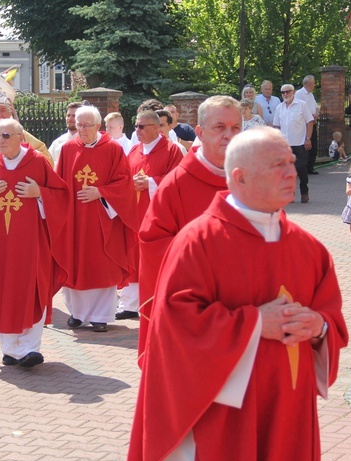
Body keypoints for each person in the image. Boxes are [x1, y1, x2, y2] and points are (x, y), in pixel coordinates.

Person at [122, 126, 348, 461]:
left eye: (292, 162)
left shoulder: (310, 250)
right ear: (239, 177)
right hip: (220, 418)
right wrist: (257, 323)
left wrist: (319, 326)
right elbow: (175, 327)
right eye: (278, 165)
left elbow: (332, 318)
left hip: (288, 414)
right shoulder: (198, 242)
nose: (292, 172)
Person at [137, 95, 242, 358]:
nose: (228, 135)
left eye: (236, 128)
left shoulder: (250, 181)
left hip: (244, 308)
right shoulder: (177, 184)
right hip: (192, 306)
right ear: (200, 132)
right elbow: (152, 242)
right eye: (219, 127)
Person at [0, 119, 69, 367]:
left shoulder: (37, 162)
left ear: (20, 137)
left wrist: (40, 193)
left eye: (5, 136)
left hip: (31, 242)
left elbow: (62, 196)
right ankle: (10, 349)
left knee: (32, 286)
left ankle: (30, 348)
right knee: (1, 288)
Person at [55, 105, 138, 333]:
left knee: (102, 264)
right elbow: (59, 184)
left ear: (98, 127)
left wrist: (101, 192)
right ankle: (78, 314)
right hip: (74, 217)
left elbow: (124, 182)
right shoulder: (68, 148)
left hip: (102, 218)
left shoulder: (112, 149)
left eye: (86, 125)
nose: (81, 129)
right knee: (74, 262)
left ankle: (101, 316)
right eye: (78, 124)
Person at [117, 110, 183, 321]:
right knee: (132, 256)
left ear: (156, 128)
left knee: (152, 258)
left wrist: (151, 183)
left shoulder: (172, 150)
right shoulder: (135, 150)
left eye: (142, 127)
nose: (137, 130)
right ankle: (129, 303)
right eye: (136, 126)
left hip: (157, 215)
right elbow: (124, 177)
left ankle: (155, 300)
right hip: (134, 213)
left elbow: (179, 180)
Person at [0, 70, 52, 172]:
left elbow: (47, 160)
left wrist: (25, 150)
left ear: (10, 111)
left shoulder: (21, 135)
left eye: (3, 110)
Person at [273, 83, 314, 203]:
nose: (286, 94)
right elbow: (276, 126)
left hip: (300, 143)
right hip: (285, 145)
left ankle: (304, 191)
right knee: (286, 171)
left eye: (288, 91)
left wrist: (308, 138)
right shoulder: (279, 107)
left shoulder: (302, 105)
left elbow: (310, 122)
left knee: (301, 168)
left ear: (293, 92)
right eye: (283, 92)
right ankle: (290, 194)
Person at [295, 75, 319, 174]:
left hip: (313, 121)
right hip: (305, 123)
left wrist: (317, 113)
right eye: (313, 83)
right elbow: (298, 109)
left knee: (314, 145)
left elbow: (315, 106)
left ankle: (310, 166)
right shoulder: (299, 94)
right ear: (307, 84)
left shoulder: (311, 95)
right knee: (305, 145)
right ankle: (303, 167)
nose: (314, 85)